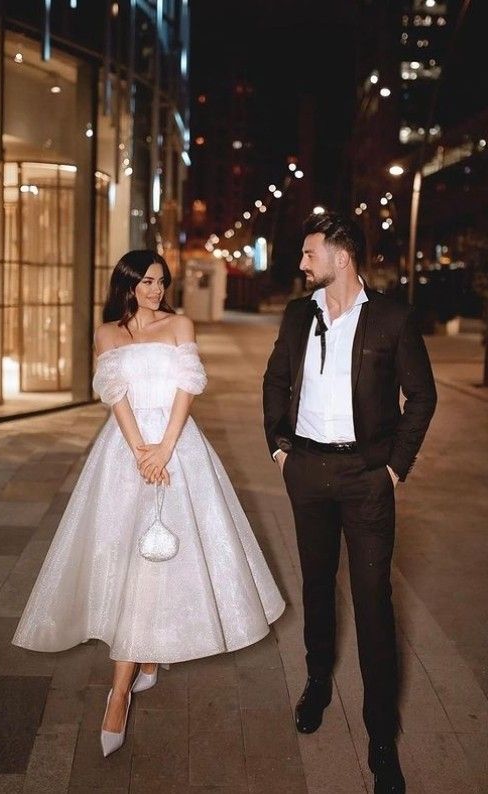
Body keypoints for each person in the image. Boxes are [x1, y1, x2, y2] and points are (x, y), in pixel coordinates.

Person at [13, 249, 285, 757]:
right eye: (145, 282)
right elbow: (114, 394)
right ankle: (135, 671)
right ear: (127, 284)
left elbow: (188, 387)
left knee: (165, 557)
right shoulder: (109, 332)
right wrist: (140, 449)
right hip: (125, 450)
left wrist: (165, 448)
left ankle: (120, 691)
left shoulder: (180, 325)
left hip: (178, 447)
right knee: (129, 556)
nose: (155, 291)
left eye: (161, 282)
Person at [262, 210, 437, 794]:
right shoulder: (297, 314)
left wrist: (394, 466)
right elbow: (275, 380)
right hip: (307, 469)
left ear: (342, 257)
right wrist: (279, 449)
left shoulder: (390, 317)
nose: (303, 262)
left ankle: (381, 736)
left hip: (367, 475)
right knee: (315, 584)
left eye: (311, 253)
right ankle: (317, 681)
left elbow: (422, 396)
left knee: (372, 600)